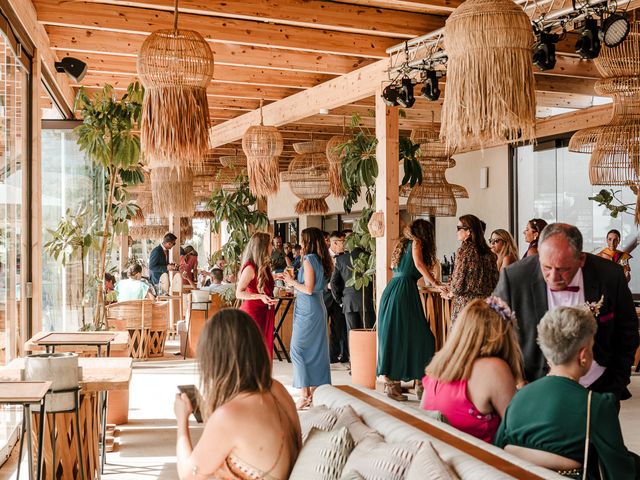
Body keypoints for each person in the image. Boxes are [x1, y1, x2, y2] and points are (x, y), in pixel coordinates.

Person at [494, 223, 639, 400]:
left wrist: (616, 383)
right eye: (546, 267)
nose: (553, 277)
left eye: (563, 269)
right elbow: (496, 333)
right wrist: (518, 382)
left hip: (599, 388)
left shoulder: (610, 275)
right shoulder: (515, 278)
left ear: (581, 259)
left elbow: (627, 330)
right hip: (534, 389)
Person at [495, 306, 640, 478]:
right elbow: (622, 473)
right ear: (584, 355)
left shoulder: (518, 399)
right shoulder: (596, 405)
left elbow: (497, 453)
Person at [174, 309, 302, 480]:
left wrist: (182, 420)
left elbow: (188, 475)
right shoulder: (277, 389)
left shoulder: (228, 416)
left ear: (215, 359)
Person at [422, 297, 523, 443]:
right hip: (479, 461)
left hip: (440, 456)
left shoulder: (438, 368)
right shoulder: (493, 369)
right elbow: (518, 430)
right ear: (501, 334)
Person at [377, 219, 441, 402]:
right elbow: (419, 264)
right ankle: (419, 383)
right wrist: (436, 283)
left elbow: (394, 267)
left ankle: (395, 385)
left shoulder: (401, 244)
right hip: (404, 292)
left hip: (394, 290)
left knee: (394, 337)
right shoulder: (416, 242)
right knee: (422, 337)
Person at [282, 227, 333, 409]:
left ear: (308, 241)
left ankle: (305, 394)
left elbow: (309, 289)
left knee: (298, 350)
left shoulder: (310, 260)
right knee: (316, 350)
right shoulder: (320, 260)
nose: (300, 243)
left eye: (302, 240)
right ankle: (314, 391)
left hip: (309, 308)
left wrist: (292, 282)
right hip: (315, 306)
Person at [441, 214, 499, 322]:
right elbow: (495, 281)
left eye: (459, 228)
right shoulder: (489, 254)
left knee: (465, 337)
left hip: (466, 306)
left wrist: (448, 294)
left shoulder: (464, 252)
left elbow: (458, 285)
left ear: (468, 232)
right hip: (485, 305)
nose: (456, 232)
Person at [236, 232, 278, 361]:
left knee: (262, 351)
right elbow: (239, 293)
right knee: (253, 351)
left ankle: (261, 378)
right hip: (253, 314)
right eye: (270, 244)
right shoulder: (250, 267)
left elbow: (259, 283)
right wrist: (260, 297)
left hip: (265, 312)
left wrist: (275, 277)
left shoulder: (263, 267)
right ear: (263, 247)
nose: (273, 247)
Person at [330, 240, 375, 336]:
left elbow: (333, 283)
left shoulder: (341, 259)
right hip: (367, 300)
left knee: (352, 334)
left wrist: (339, 300)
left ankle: (353, 351)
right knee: (369, 333)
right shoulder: (370, 258)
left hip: (348, 301)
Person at [327, 231, 349, 364]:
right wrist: (326, 285)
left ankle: (334, 357)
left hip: (339, 298)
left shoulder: (345, 257)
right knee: (323, 329)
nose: (345, 245)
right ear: (335, 243)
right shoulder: (322, 257)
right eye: (343, 242)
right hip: (325, 297)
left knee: (338, 329)